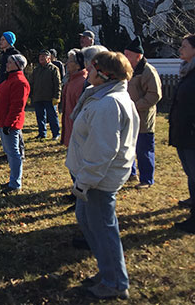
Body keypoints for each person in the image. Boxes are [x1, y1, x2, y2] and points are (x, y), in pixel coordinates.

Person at [66, 51, 139, 300]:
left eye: (93, 67)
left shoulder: (109, 103)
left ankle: (115, 282)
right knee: (89, 222)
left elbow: (102, 150)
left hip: (98, 180)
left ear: (104, 74)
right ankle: (108, 272)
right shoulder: (104, 96)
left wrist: (84, 181)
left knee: (103, 228)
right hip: (92, 177)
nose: (89, 70)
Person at [124, 36, 162, 189]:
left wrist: (136, 106)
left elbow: (155, 94)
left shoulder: (148, 71)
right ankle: (131, 174)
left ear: (138, 56)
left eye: (128, 55)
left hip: (143, 118)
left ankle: (147, 179)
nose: (125, 58)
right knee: (128, 146)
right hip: (129, 116)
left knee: (144, 149)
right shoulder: (128, 70)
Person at [0, 54, 30, 193]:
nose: (6, 65)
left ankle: (15, 183)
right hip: (3, 122)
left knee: (14, 153)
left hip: (11, 125)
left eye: (9, 62)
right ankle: (13, 180)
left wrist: (9, 124)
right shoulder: (8, 80)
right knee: (9, 152)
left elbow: (17, 107)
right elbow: (0, 103)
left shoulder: (20, 82)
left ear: (17, 65)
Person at [169, 34, 195, 233]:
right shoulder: (187, 71)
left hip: (192, 134)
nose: (180, 49)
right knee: (191, 174)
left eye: (184, 46)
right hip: (184, 133)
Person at [29, 49, 61, 140]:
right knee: (40, 117)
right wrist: (30, 96)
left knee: (52, 116)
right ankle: (42, 133)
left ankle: (56, 133)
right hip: (38, 97)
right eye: (40, 56)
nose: (41, 58)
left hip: (49, 98)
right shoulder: (36, 70)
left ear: (49, 59)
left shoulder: (54, 69)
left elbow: (57, 84)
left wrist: (57, 96)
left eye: (44, 56)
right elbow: (32, 83)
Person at [60, 49, 88, 147]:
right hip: (71, 133)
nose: (66, 63)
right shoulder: (71, 80)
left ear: (78, 65)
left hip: (78, 136)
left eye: (70, 61)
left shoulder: (82, 82)